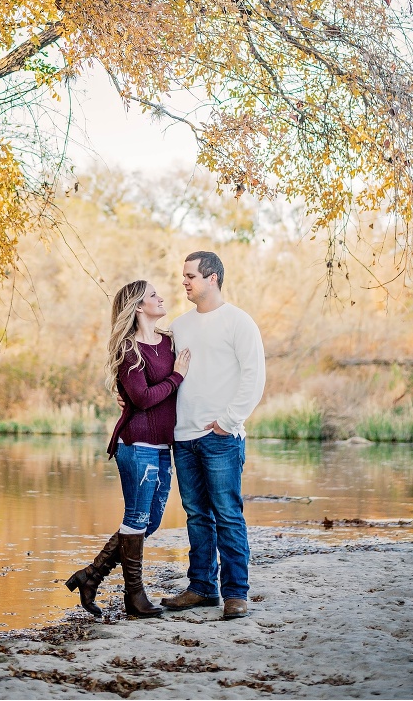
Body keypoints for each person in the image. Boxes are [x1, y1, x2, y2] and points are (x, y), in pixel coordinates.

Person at [66, 279, 190, 619]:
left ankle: (91, 575)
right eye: (153, 295)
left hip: (163, 444)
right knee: (136, 519)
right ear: (138, 306)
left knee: (148, 523)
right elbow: (142, 398)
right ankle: (134, 596)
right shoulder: (127, 349)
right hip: (136, 445)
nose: (161, 297)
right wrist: (177, 377)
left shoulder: (169, 341)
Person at [161, 251, 265, 621]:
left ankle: (236, 594)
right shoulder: (180, 326)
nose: (184, 282)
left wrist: (228, 422)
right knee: (196, 516)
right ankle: (202, 587)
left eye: (191, 276)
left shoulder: (239, 322)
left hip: (221, 437)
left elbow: (254, 378)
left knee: (227, 515)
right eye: (184, 276)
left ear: (213, 278)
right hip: (184, 438)